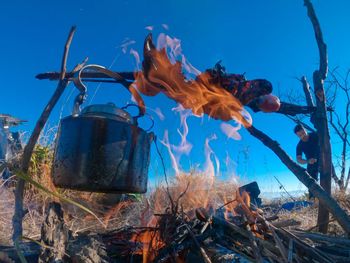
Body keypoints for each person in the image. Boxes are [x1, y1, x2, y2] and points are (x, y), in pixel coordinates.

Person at [294, 124, 319, 199]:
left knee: (331, 175)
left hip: (323, 158)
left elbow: (325, 140)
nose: (302, 136)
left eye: (303, 133)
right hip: (311, 162)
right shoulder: (299, 145)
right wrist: (308, 161)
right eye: (300, 135)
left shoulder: (315, 135)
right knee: (311, 183)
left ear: (305, 130)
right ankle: (312, 201)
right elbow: (299, 160)